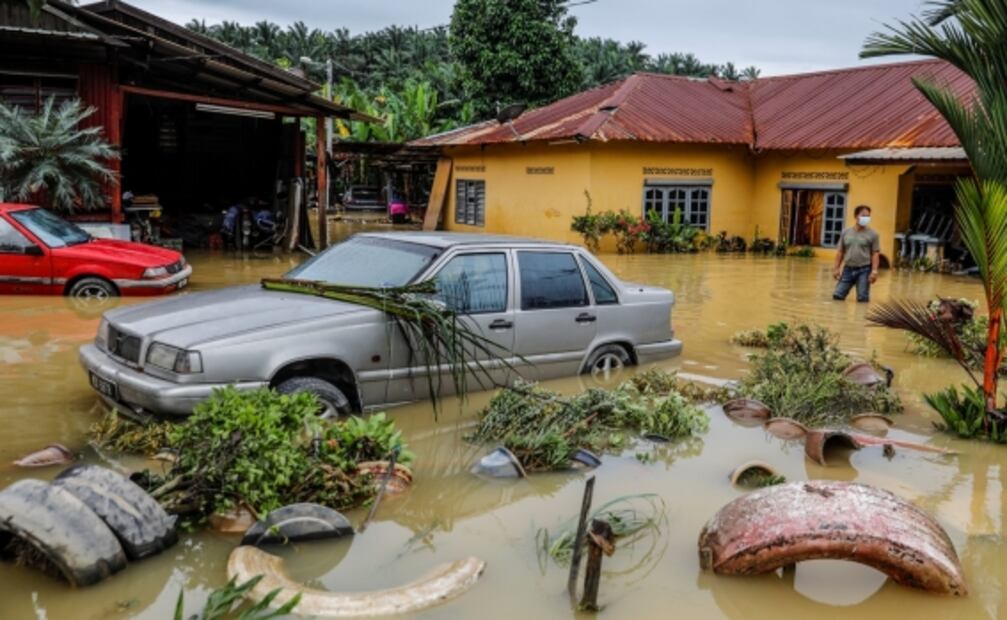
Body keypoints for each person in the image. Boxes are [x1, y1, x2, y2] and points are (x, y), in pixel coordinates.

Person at [832, 205, 880, 303]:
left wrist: (874, 271)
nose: (866, 218)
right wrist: (836, 268)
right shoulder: (846, 232)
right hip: (848, 269)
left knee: (862, 299)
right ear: (855, 216)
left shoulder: (873, 234)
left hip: (864, 270)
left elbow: (875, 253)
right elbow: (840, 251)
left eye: (868, 216)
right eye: (863, 215)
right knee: (837, 296)